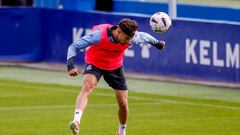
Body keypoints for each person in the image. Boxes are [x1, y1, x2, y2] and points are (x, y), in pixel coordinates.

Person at [67, 18, 166, 135]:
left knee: (123, 104)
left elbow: (145, 36)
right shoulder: (98, 36)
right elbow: (74, 46)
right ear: (118, 32)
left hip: (115, 66)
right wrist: (70, 66)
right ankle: (76, 121)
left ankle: (121, 131)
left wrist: (158, 43)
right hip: (95, 63)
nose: (129, 42)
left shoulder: (131, 36)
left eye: (130, 38)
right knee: (88, 87)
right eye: (127, 38)